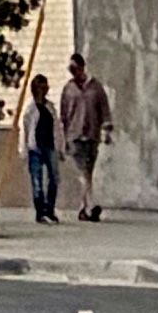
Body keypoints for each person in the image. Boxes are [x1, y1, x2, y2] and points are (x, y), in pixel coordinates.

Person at [53, 53, 110, 222]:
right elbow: (64, 115)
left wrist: (106, 130)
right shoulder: (68, 89)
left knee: (88, 172)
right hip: (74, 135)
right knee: (83, 171)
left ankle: (84, 209)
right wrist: (63, 139)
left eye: (75, 68)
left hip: (92, 134)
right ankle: (91, 206)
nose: (73, 72)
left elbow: (104, 110)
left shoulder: (96, 87)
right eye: (70, 69)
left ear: (82, 67)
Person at [19, 74, 59, 225]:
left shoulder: (50, 107)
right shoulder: (30, 109)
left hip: (50, 146)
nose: (43, 90)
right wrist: (23, 149)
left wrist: (60, 146)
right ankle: (40, 212)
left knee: (54, 177)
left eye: (45, 87)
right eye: (40, 87)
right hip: (35, 147)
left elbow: (57, 127)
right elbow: (24, 129)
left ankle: (50, 209)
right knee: (37, 181)